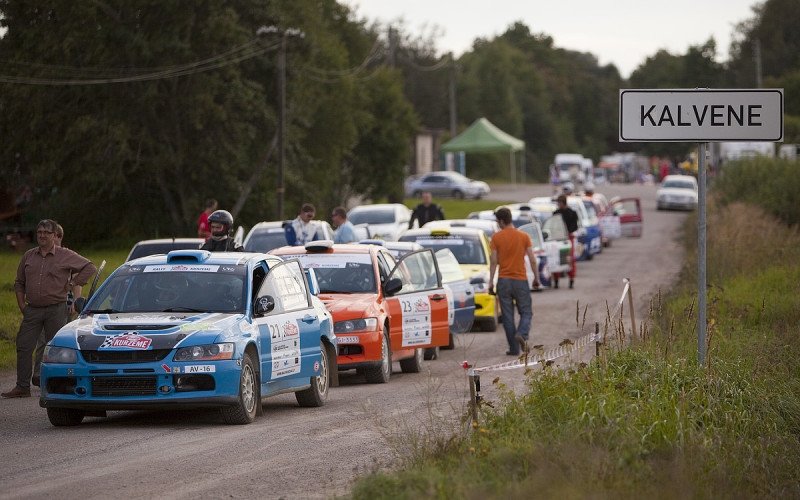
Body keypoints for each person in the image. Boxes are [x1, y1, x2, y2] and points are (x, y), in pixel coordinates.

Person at [2, 220, 97, 398]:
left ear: (54, 235)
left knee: (57, 349)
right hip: (32, 309)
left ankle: (57, 386)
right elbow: (19, 283)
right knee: (23, 346)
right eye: (39, 232)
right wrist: (22, 305)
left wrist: (73, 283)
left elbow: (89, 267)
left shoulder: (65, 254)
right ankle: (22, 387)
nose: (42, 235)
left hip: (56, 309)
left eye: (46, 232)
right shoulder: (29, 256)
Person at [488, 207, 541, 356]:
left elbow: (493, 261)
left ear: (501, 221)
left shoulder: (496, 238)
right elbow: (532, 259)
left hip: (504, 280)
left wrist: (491, 282)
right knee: (526, 312)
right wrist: (536, 278)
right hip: (520, 280)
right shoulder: (524, 236)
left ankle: (513, 348)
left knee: (507, 316)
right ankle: (522, 333)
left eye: (498, 222)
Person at [552, 194, 578, 289]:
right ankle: (556, 280)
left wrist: (568, 231)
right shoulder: (556, 213)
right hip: (558, 238)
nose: (558, 204)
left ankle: (571, 279)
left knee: (569, 259)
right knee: (556, 259)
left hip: (568, 238)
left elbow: (575, 226)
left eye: (559, 202)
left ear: (562, 202)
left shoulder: (572, 213)